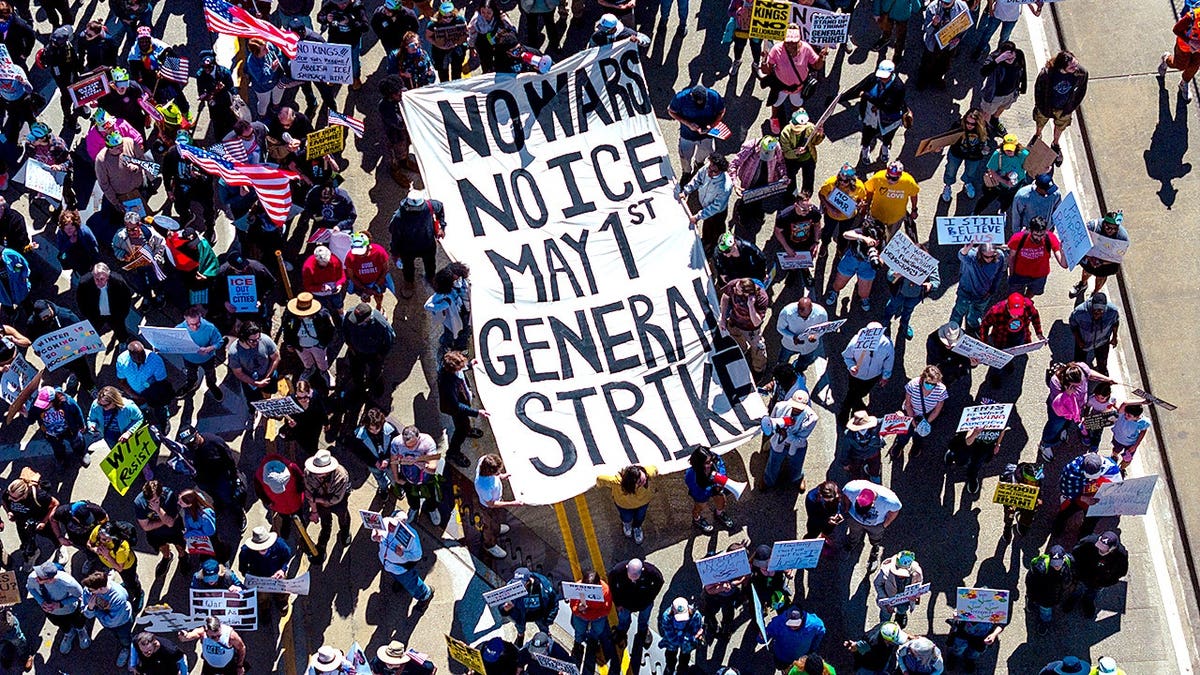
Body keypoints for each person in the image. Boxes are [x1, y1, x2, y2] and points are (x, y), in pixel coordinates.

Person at [1041, 362, 1115, 461]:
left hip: (1075, 410)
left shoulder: (1081, 368)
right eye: (1076, 385)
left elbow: (1089, 373)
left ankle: (1063, 430)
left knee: (1067, 423)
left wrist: (1107, 379)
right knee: (1054, 427)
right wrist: (1066, 394)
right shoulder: (1056, 381)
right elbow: (1057, 404)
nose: (1080, 386)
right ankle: (1046, 444)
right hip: (1061, 412)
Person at [843, 60, 911, 164]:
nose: (882, 78)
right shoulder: (874, 78)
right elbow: (858, 89)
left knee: (888, 135)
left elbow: (889, 107)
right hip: (871, 115)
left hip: (890, 117)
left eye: (885, 76)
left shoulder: (898, 87)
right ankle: (865, 149)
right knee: (867, 134)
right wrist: (840, 99)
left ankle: (885, 148)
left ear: (892, 74)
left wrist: (867, 96)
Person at [762, 27, 825, 134]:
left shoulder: (806, 48)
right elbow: (767, 71)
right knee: (776, 104)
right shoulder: (776, 50)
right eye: (787, 42)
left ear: (799, 40)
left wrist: (821, 58)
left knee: (797, 104)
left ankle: (795, 120)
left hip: (799, 88)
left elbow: (816, 66)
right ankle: (774, 118)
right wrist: (764, 61)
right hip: (781, 86)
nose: (790, 45)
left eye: (794, 43)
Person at [1033, 50, 1089, 164]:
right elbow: (1038, 91)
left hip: (1064, 108)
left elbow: (1081, 91)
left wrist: (1072, 107)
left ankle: (1055, 144)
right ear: (1062, 68)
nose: (1076, 68)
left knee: (1060, 126)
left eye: (1076, 64)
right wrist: (1041, 107)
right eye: (1071, 67)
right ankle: (1037, 135)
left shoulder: (1081, 73)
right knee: (1040, 121)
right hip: (1046, 106)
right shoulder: (1047, 74)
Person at [825, 218, 888, 314]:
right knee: (838, 284)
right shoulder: (861, 232)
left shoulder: (882, 242)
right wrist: (863, 238)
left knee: (864, 293)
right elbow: (846, 234)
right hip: (852, 258)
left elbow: (882, 261)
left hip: (867, 265)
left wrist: (876, 257)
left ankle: (864, 299)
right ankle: (834, 292)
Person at [838, 322, 894, 426]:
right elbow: (847, 356)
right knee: (851, 394)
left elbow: (889, 361)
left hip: (873, 376)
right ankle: (844, 414)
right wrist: (851, 366)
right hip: (856, 376)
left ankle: (856, 409)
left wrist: (885, 376)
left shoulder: (887, 344)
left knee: (861, 393)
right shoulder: (856, 341)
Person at [27, 561, 88, 655]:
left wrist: (60, 604)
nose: (36, 578)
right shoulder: (33, 577)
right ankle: (68, 634)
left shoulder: (67, 582)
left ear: (51, 579)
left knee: (78, 621)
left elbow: (80, 595)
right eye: (37, 573)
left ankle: (81, 630)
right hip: (50, 611)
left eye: (40, 578)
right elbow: (30, 588)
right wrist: (41, 601)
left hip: (69, 609)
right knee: (61, 624)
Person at [373, 513, 435, 604]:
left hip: (401, 569)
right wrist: (375, 537)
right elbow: (375, 532)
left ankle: (426, 594)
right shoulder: (385, 522)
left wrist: (402, 554)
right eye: (390, 523)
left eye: (394, 526)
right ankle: (400, 582)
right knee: (399, 578)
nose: (390, 527)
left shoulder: (412, 538)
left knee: (412, 584)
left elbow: (417, 556)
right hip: (388, 565)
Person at [668, 84, 726, 180]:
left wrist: (712, 125)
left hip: (707, 134)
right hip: (687, 135)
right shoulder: (680, 98)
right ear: (691, 96)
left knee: (706, 152)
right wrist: (688, 124)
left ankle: (699, 163)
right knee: (685, 156)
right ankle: (686, 172)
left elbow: (721, 111)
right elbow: (671, 111)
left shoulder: (714, 96)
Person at [678, 153, 734, 252]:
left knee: (716, 230)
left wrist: (698, 216)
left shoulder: (725, 187)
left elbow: (715, 207)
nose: (709, 172)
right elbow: (697, 180)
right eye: (709, 168)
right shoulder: (707, 168)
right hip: (705, 206)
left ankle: (715, 248)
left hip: (717, 213)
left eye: (714, 171)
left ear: (721, 171)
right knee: (707, 228)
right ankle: (706, 241)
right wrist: (686, 191)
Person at [889, 365, 948, 459]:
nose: (930, 386)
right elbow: (908, 404)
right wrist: (913, 421)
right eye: (928, 383)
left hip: (926, 415)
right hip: (910, 411)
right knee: (904, 433)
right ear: (922, 378)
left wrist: (926, 422)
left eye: (934, 384)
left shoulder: (941, 390)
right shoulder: (913, 384)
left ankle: (916, 446)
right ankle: (899, 445)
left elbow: (937, 410)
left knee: (920, 434)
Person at [842, 480, 902, 572]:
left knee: (875, 539)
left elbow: (895, 510)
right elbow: (846, 496)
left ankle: (875, 549)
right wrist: (847, 508)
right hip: (854, 520)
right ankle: (851, 544)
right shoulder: (851, 489)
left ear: (873, 503)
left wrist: (884, 525)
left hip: (876, 525)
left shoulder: (890, 500)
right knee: (853, 534)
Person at [764, 389, 818, 489]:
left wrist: (786, 435)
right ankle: (768, 481)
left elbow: (801, 439)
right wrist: (776, 430)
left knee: (797, 464)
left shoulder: (812, 418)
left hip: (797, 446)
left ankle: (798, 478)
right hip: (779, 442)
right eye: (794, 406)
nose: (796, 409)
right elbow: (771, 421)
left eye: (800, 408)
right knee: (773, 463)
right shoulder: (780, 406)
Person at [390, 424, 443, 526]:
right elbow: (393, 460)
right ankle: (414, 508)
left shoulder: (428, 442)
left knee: (430, 496)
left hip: (426, 479)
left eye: (413, 445)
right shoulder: (396, 443)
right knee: (411, 497)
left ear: (419, 438)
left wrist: (416, 462)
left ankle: (432, 509)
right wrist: (396, 478)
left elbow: (432, 469)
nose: (410, 448)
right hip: (407, 478)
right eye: (407, 446)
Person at [1067, 531, 1128, 619]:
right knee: (1078, 589)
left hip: (1100, 582)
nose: (1100, 549)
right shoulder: (1089, 541)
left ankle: (1087, 602)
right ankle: (1073, 599)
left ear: (1112, 549)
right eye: (1099, 545)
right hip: (1083, 576)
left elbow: (1121, 572)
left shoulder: (1121, 555)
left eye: (1104, 549)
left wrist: (1107, 582)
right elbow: (1075, 553)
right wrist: (1077, 571)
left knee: (1092, 593)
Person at [439, 350, 485, 468]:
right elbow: (456, 406)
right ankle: (453, 452)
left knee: (464, 423)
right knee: (461, 429)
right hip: (456, 408)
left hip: (462, 401)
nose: (463, 366)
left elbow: (462, 370)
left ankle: (467, 429)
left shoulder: (452, 371)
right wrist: (476, 412)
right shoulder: (448, 384)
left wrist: (470, 365)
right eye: (461, 366)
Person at [115, 340, 173, 432]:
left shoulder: (156, 360)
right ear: (130, 355)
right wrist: (136, 396)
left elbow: (161, 383)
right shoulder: (122, 361)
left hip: (154, 392)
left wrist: (148, 396)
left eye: (142, 354)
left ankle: (163, 420)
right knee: (142, 410)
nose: (140, 358)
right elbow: (122, 381)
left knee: (160, 407)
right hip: (135, 393)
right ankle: (146, 418)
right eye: (136, 356)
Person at [884, 244, 939, 341]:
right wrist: (895, 274)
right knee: (892, 307)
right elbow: (889, 275)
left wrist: (930, 285)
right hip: (899, 293)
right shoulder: (902, 260)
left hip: (915, 295)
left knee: (908, 311)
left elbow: (936, 282)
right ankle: (886, 322)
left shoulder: (930, 265)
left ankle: (904, 325)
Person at [81, 570, 135, 666]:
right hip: (108, 622)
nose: (89, 592)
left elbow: (111, 621)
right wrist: (89, 608)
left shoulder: (118, 598)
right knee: (114, 634)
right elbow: (86, 613)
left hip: (122, 622)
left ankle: (126, 648)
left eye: (92, 590)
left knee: (124, 638)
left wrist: (94, 610)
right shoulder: (89, 589)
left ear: (101, 588)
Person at [227, 322, 281, 417]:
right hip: (250, 381)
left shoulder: (265, 340)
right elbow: (238, 373)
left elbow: (276, 358)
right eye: (252, 341)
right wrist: (255, 383)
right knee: (252, 400)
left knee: (269, 392)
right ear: (243, 337)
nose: (256, 343)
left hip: (268, 375)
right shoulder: (234, 352)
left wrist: (266, 377)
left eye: (258, 339)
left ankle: (268, 405)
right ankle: (252, 410)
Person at [950, 243, 1007, 333]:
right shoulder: (972, 257)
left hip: (983, 295)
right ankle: (952, 333)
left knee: (976, 316)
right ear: (980, 253)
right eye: (986, 257)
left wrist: (992, 290)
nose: (989, 259)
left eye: (992, 256)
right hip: (965, 293)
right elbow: (962, 256)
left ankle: (973, 331)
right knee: (958, 314)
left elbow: (998, 275)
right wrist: (965, 249)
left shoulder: (1000, 257)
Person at [718, 277, 770, 374]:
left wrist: (751, 306)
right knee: (736, 341)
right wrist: (723, 317)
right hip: (735, 323)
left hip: (751, 330)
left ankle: (759, 369)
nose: (734, 289)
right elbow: (725, 297)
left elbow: (756, 322)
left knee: (758, 349)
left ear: (747, 293)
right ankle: (742, 352)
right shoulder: (734, 284)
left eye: (738, 290)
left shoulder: (762, 298)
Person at [474, 453, 521, 558]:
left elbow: (495, 475)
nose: (499, 472)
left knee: (496, 521)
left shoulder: (483, 460)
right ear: (490, 472)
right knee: (489, 527)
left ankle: (497, 528)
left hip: (494, 501)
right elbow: (491, 504)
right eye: (497, 472)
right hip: (488, 509)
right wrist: (512, 503)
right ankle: (489, 545)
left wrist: (501, 476)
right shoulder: (484, 486)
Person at [609, 558, 663, 648]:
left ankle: (643, 631)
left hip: (644, 603)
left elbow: (660, 581)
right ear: (627, 567)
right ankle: (621, 631)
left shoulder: (651, 571)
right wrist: (617, 603)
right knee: (623, 619)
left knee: (644, 619)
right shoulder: (617, 571)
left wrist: (650, 598)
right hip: (625, 604)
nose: (633, 580)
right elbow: (612, 585)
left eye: (636, 577)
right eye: (630, 577)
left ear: (642, 570)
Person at [134, 480, 185, 575]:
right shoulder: (139, 502)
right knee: (161, 547)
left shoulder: (169, 495)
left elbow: (170, 523)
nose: (150, 503)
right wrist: (164, 520)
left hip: (173, 530)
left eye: (154, 500)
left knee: (180, 546)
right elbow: (146, 527)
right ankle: (167, 557)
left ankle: (183, 557)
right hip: (155, 533)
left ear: (160, 494)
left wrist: (158, 510)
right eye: (148, 500)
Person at [497, 567, 558, 647]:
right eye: (516, 584)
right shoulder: (511, 586)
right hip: (521, 616)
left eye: (521, 585)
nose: (518, 587)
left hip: (540, 615)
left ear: (528, 582)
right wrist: (505, 609)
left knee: (544, 628)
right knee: (520, 629)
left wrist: (549, 619)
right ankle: (520, 637)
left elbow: (554, 602)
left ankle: (546, 637)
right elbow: (501, 606)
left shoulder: (543, 585)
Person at [596, 464, 657, 544]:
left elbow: (655, 469)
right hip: (625, 506)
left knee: (640, 517)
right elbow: (600, 479)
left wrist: (599, 485)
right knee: (627, 518)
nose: (645, 481)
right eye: (640, 482)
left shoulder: (647, 473)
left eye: (645, 477)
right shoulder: (616, 482)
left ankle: (636, 527)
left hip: (642, 503)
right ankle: (627, 524)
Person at [304, 449, 352, 549]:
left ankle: (345, 532)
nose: (316, 473)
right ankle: (323, 543)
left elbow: (336, 498)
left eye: (320, 471)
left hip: (338, 502)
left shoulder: (341, 476)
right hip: (320, 502)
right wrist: (314, 511)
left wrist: (316, 499)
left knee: (343, 517)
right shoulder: (308, 474)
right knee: (325, 522)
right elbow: (309, 494)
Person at [76, 263, 134, 345]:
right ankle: (91, 344)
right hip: (95, 315)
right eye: (96, 279)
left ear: (108, 276)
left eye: (102, 279)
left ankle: (123, 342)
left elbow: (126, 298)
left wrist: (121, 314)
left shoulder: (118, 281)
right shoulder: (84, 283)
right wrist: (88, 314)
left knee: (120, 330)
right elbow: (81, 301)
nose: (99, 282)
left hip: (115, 314)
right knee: (93, 330)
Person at [282, 292, 337, 377]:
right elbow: (287, 330)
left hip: (318, 345)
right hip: (300, 346)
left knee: (321, 361)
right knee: (306, 360)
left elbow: (330, 330)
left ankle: (324, 371)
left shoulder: (322, 316)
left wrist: (324, 343)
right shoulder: (290, 316)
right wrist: (289, 343)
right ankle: (309, 369)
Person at [567, 570, 617, 664]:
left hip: (596, 617)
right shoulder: (578, 587)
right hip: (583, 616)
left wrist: (588, 613)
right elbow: (573, 606)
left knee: (598, 630)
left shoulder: (605, 591)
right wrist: (578, 609)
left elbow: (606, 609)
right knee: (579, 630)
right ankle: (578, 644)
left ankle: (593, 642)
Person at [917, 0, 969, 89]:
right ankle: (923, 79)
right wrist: (933, 24)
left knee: (944, 64)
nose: (943, 5)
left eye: (947, 3)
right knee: (927, 63)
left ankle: (937, 78)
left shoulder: (962, 8)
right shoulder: (932, 8)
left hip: (949, 45)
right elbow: (926, 30)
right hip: (933, 43)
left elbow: (965, 27)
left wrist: (959, 38)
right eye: (942, 1)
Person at [351, 407, 402, 496]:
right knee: (379, 478)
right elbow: (361, 453)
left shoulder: (390, 429)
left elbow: (396, 446)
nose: (374, 432)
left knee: (394, 477)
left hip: (390, 463)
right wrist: (374, 462)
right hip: (373, 465)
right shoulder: (359, 436)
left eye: (377, 428)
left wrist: (387, 459)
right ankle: (383, 488)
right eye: (371, 429)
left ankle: (396, 488)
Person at [973, 134, 1029, 215]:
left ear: (1017, 147)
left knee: (1008, 200)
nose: (1009, 151)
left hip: (1016, 185)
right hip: (998, 184)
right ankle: (975, 213)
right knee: (986, 199)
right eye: (1007, 149)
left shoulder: (1024, 154)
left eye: (1011, 149)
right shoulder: (998, 155)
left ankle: (1002, 211)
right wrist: (1005, 182)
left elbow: (1034, 165)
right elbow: (992, 171)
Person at [1076, 212, 1129, 296]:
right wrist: (1089, 258)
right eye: (1108, 228)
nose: (1112, 231)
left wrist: (1101, 262)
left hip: (1107, 262)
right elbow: (1082, 241)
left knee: (1101, 277)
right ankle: (1083, 284)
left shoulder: (1122, 238)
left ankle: (1095, 293)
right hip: (1091, 256)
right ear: (1104, 223)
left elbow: (1117, 257)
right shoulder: (1093, 226)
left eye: (1115, 229)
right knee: (1086, 272)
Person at [941, 110, 990, 201]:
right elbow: (947, 137)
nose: (969, 125)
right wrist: (940, 146)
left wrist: (985, 148)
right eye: (967, 122)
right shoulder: (958, 125)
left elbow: (986, 140)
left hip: (974, 156)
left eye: (973, 124)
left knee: (971, 172)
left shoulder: (983, 128)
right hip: (956, 152)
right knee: (950, 170)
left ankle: (967, 183)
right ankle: (948, 185)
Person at [776, 297, 830, 379]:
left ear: (811, 308)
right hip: (789, 344)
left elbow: (823, 328)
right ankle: (780, 374)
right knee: (782, 361)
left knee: (804, 363)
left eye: (805, 317)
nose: (803, 319)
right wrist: (792, 337)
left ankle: (797, 373)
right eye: (800, 315)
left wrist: (816, 336)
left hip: (809, 346)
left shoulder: (821, 313)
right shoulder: (786, 312)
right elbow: (780, 328)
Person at [684, 445, 735, 533]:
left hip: (715, 487)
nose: (711, 463)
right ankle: (696, 519)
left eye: (711, 460)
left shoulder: (714, 458)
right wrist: (710, 488)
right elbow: (695, 489)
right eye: (707, 462)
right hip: (701, 493)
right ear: (699, 463)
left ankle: (719, 513)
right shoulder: (691, 474)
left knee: (722, 502)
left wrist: (721, 477)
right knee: (699, 507)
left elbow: (720, 464)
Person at [1027, 544, 1075, 632]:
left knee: (1046, 609)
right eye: (1054, 562)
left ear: (1064, 558)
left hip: (1058, 594)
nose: (1056, 566)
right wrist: (1031, 596)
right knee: (1045, 611)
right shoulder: (1040, 568)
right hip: (1044, 597)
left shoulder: (1069, 561)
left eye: (1059, 562)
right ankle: (1044, 621)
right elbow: (1030, 582)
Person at [1069, 292, 1120, 374]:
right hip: (1084, 342)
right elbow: (1073, 326)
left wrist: (1114, 337)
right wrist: (1079, 341)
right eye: (1095, 310)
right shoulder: (1079, 312)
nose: (1097, 313)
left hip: (1102, 341)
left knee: (1102, 362)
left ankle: (1102, 372)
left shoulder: (1112, 311)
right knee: (1079, 365)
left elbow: (1115, 323)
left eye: (1101, 311)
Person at [177, 616, 248, 675]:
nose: (217, 639)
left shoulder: (231, 636)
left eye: (219, 635)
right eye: (213, 637)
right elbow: (188, 637)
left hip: (228, 666)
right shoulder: (202, 633)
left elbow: (242, 648)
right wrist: (185, 636)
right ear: (206, 631)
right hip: (209, 666)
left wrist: (239, 666)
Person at [1159, 4, 1200, 101]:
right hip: (1184, 46)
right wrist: (1190, 42)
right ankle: (1167, 59)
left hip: (1198, 50)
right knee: (1180, 65)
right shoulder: (1193, 16)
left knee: (1194, 66)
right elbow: (1176, 29)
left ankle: (1184, 83)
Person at [779, 109, 825, 197]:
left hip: (808, 157)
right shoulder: (786, 132)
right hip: (792, 160)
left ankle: (806, 197)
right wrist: (796, 153)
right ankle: (791, 196)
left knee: (809, 179)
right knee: (790, 179)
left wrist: (820, 135)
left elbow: (815, 142)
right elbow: (785, 152)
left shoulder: (811, 128)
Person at [766, 606, 826, 672]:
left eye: (796, 624)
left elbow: (821, 631)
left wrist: (813, 648)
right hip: (782, 657)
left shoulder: (814, 624)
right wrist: (762, 636)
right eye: (790, 624)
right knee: (781, 666)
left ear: (802, 617)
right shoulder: (777, 622)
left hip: (799, 657)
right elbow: (764, 637)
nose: (793, 626)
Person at [873, 550, 922, 628]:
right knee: (886, 615)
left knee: (903, 609)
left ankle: (900, 616)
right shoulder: (885, 571)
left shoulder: (916, 571)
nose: (901, 576)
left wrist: (916, 594)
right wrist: (886, 601)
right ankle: (884, 625)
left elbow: (919, 583)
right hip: (889, 598)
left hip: (905, 599)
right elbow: (877, 584)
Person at [345, 233, 394, 309]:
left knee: (379, 294)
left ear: (368, 246)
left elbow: (385, 269)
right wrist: (364, 289)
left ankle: (379, 306)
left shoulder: (379, 251)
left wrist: (376, 285)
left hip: (377, 280)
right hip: (362, 283)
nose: (360, 255)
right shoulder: (350, 257)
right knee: (364, 298)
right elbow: (351, 276)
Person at [659, 597, 704, 675]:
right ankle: (670, 666)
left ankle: (682, 668)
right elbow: (671, 638)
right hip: (675, 642)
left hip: (686, 644)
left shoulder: (696, 616)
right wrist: (691, 638)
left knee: (685, 657)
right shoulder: (666, 617)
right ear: (672, 610)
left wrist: (686, 638)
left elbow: (696, 630)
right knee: (670, 655)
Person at [999, 462, 1043, 538]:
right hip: (1012, 503)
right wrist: (1009, 506)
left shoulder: (1036, 479)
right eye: (1033, 482)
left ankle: (1023, 525)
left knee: (1029, 514)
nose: (1036, 483)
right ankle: (1007, 528)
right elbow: (1004, 495)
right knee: (1009, 515)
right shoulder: (1010, 480)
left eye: (1037, 481)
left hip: (1029, 502)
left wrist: (1038, 499)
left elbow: (1039, 490)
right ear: (1025, 480)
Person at [841, 411, 885, 484]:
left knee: (875, 468)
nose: (863, 429)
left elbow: (886, 421)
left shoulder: (876, 426)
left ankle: (874, 476)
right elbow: (845, 450)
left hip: (873, 454)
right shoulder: (849, 436)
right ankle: (856, 481)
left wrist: (898, 417)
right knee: (855, 470)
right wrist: (845, 463)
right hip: (857, 456)